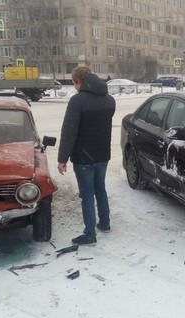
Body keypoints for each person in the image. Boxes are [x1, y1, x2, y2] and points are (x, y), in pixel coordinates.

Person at [57, 66, 116, 245]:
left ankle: (89, 234)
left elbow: (69, 132)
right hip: (102, 155)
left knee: (87, 195)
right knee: (101, 189)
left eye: (74, 83)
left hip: (83, 158)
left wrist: (62, 159)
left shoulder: (77, 101)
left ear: (79, 81)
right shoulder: (110, 99)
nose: (74, 87)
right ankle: (104, 223)